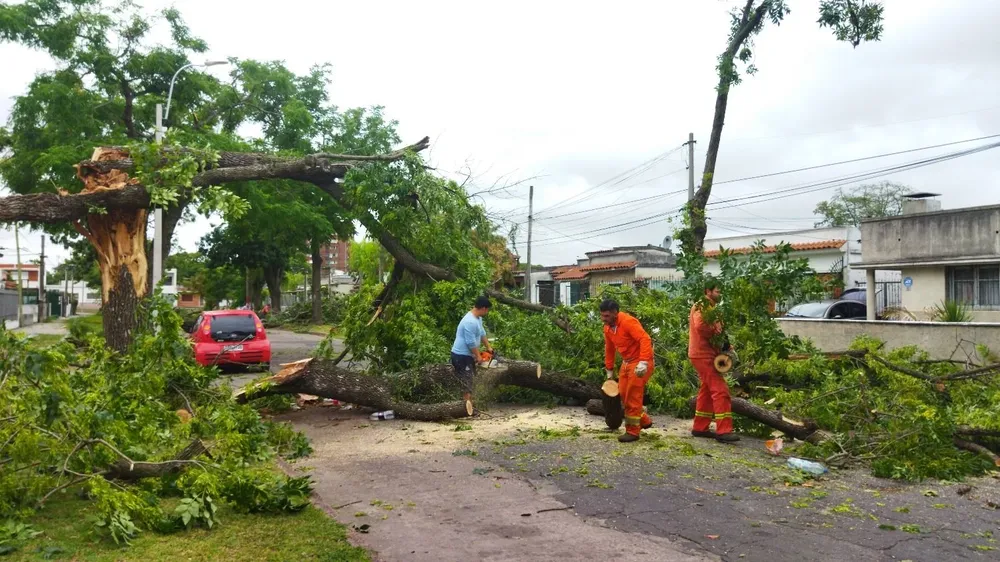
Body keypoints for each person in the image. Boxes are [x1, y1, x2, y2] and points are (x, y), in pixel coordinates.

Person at [689, 278, 738, 442]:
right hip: (703, 353)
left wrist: (726, 345)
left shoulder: (711, 307)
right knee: (720, 390)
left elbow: (716, 329)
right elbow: (701, 327)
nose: (720, 294)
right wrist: (717, 336)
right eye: (717, 291)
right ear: (708, 291)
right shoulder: (703, 306)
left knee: (707, 391)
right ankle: (724, 430)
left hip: (705, 353)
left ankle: (699, 427)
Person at [600, 299, 654, 443]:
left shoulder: (628, 322)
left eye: (606, 316)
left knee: (633, 396)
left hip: (640, 362)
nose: (603, 319)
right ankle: (644, 419)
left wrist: (643, 362)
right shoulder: (607, 328)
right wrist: (609, 370)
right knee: (623, 395)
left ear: (615, 313)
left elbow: (645, 339)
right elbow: (609, 349)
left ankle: (632, 431)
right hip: (626, 363)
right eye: (602, 316)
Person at [450, 295, 493, 411]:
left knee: (471, 379)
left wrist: (488, 347)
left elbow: (482, 333)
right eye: (487, 309)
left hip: (468, 355)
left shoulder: (478, 319)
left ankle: (470, 406)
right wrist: (479, 356)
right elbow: (470, 343)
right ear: (483, 308)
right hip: (461, 356)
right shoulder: (470, 321)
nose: (487, 312)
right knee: (467, 381)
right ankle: (466, 409)